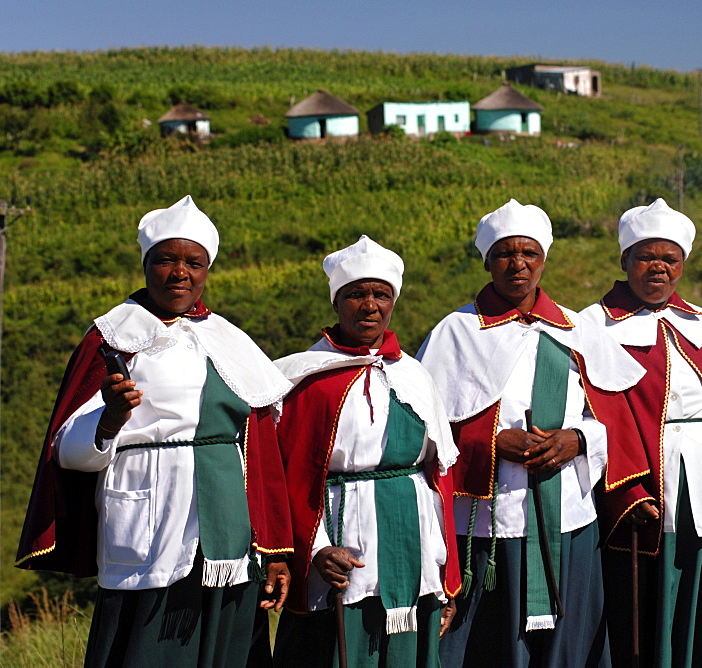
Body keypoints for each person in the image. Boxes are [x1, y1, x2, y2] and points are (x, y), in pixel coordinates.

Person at [16, 195, 294, 666]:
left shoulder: (227, 338)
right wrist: (108, 419)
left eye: (194, 262)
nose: (180, 272)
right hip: (150, 511)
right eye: (166, 260)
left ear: (208, 271)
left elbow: (259, 446)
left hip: (227, 524)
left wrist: (275, 545)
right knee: (148, 646)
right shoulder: (113, 335)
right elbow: (65, 447)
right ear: (146, 265)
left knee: (227, 644)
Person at [418, 199, 645, 668]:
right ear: (487, 260)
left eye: (529, 254)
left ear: (544, 259)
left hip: (567, 515)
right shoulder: (454, 332)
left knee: (570, 641)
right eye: (504, 253)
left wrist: (577, 441)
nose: (517, 264)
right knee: (491, 642)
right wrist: (494, 441)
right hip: (486, 520)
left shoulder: (576, 328)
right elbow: (424, 425)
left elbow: (613, 417)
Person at [578, 198, 702, 667]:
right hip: (641, 485)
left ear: (683, 265)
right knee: (643, 594)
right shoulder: (591, 325)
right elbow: (594, 415)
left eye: (670, 259)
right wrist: (630, 491)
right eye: (646, 257)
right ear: (624, 261)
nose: (658, 268)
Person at [270, 235, 461, 667]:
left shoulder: (414, 375)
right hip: (342, 540)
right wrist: (316, 548)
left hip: (413, 546)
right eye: (357, 294)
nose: (370, 305)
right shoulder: (304, 378)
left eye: (381, 294)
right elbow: (290, 476)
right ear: (337, 302)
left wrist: (445, 574)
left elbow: (438, 477)